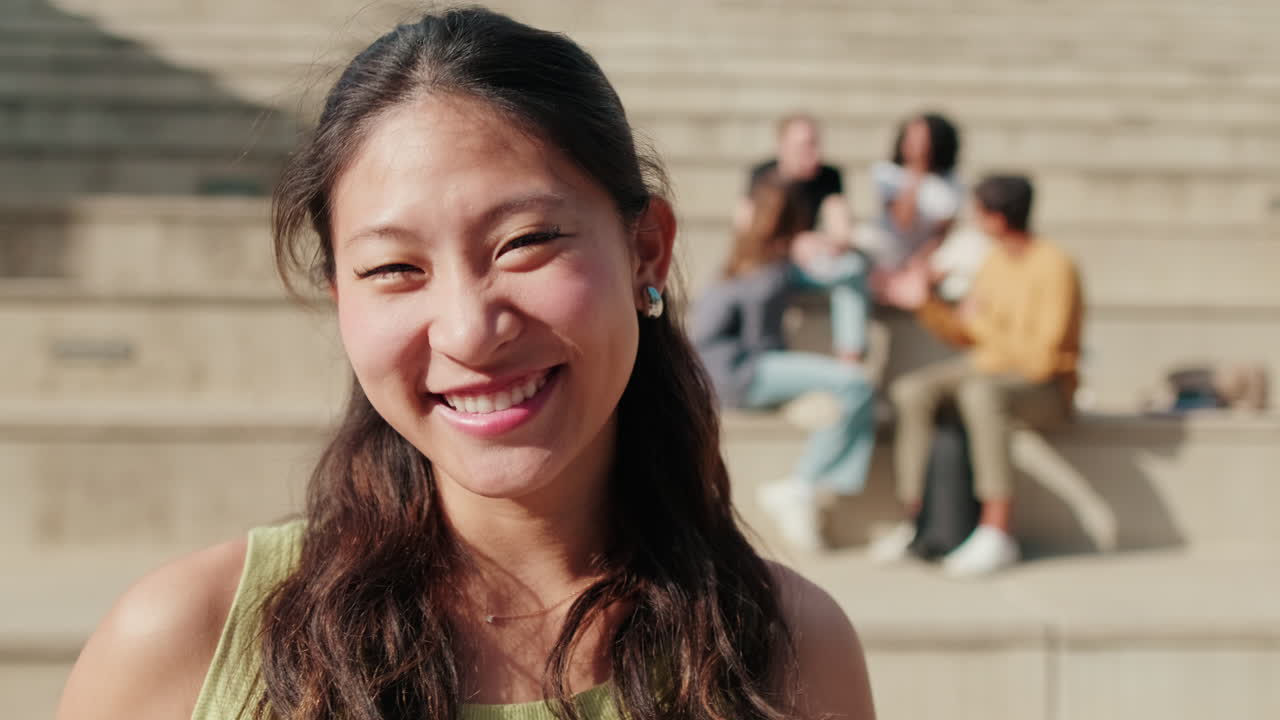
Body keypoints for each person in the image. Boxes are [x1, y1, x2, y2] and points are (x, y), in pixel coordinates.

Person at [55, 8, 874, 720]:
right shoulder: (187, 641)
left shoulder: (791, 652)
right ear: (341, 295)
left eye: (525, 243)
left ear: (645, 251)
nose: (469, 332)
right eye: (393, 269)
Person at [871, 175, 1083, 577]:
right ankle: (917, 519)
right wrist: (926, 303)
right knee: (912, 390)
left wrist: (983, 325)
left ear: (998, 219)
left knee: (981, 396)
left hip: (1047, 387)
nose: (974, 221)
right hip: (988, 367)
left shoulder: (1056, 266)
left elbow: (1043, 358)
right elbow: (967, 332)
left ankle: (997, 530)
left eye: (979, 213)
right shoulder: (994, 261)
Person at [693, 177, 877, 553]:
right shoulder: (771, 266)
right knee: (855, 384)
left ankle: (802, 486)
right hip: (743, 373)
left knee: (843, 395)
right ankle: (800, 484)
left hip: (733, 373)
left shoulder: (747, 260)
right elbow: (844, 272)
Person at [858, 113, 964, 309]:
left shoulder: (951, 183)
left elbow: (942, 234)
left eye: (921, 139)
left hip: (924, 255)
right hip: (889, 249)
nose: (913, 144)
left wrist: (919, 261)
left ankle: (907, 284)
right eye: (910, 137)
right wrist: (915, 173)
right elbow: (902, 221)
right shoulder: (886, 174)